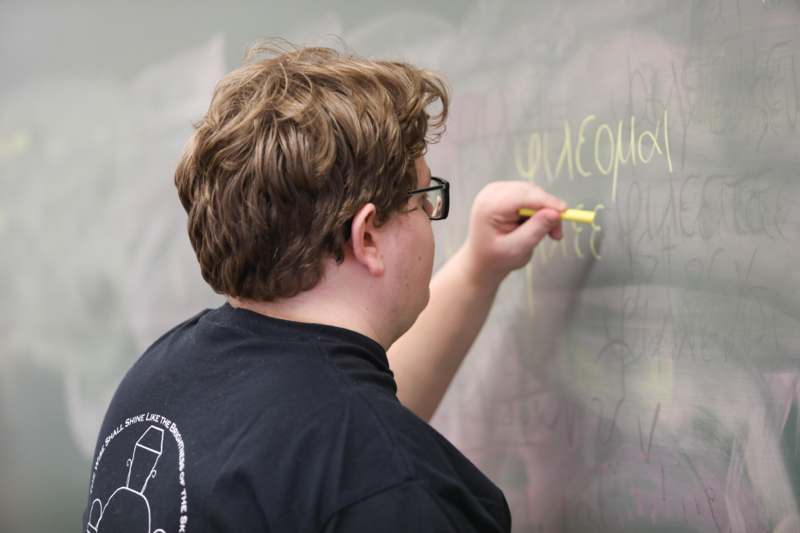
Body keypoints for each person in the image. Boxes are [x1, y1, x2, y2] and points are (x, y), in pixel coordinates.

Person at [82, 42, 566, 533]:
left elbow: (328, 429)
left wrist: (478, 270)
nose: (431, 218)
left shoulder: (162, 380)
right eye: (424, 198)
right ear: (368, 235)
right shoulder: (395, 490)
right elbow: (354, 451)